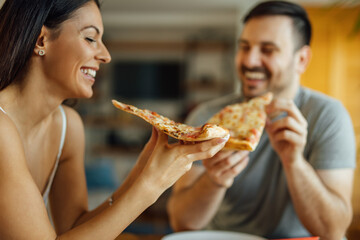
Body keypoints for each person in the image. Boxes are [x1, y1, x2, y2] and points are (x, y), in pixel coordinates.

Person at [0, 0, 229, 239]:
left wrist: (139, 174)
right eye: (90, 38)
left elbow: (74, 228)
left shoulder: (68, 126)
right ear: (41, 40)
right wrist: (152, 186)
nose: (106, 55)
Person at [167, 1, 356, 240]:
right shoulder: (208, 119)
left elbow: (333, 230)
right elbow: (181, 223)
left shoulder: (328, 116)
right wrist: (213, 179)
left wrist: (294, 161)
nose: (250, 61)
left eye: (268, 50)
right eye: (244, 47)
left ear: (301, 60)